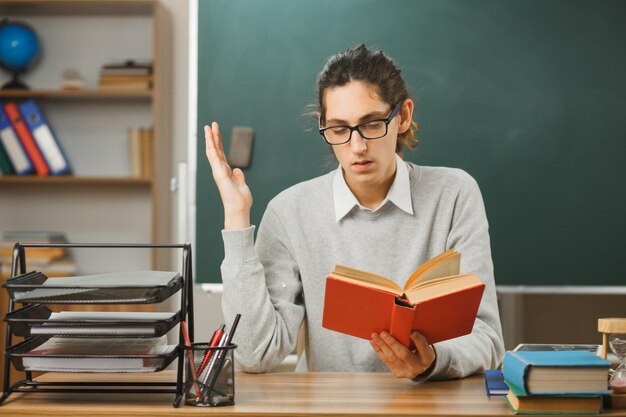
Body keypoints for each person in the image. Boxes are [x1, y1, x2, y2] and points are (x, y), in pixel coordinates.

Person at [204, 44, 504, 381]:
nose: (357, 146)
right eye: (339, 129)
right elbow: (254, 354)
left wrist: (433, 360)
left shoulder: (454, 194)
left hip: (430, 402)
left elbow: (488, 342)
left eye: (372, 123)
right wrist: (236, 216)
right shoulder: (290, 212)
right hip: (333, 405)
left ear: (402, 117)